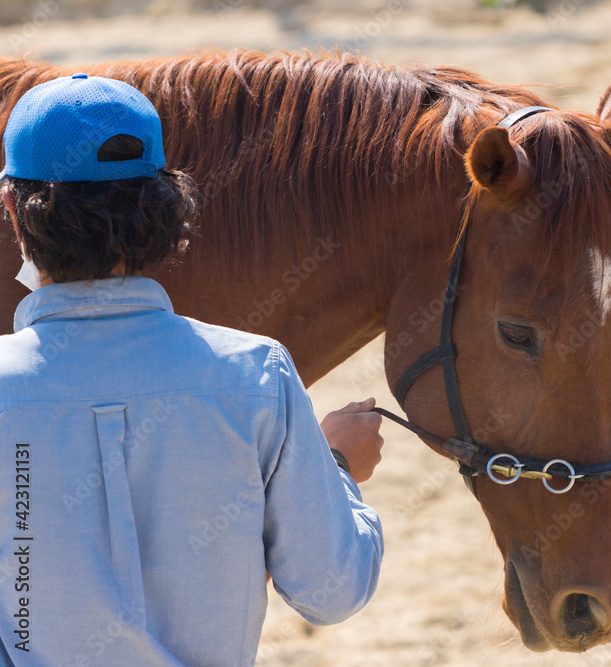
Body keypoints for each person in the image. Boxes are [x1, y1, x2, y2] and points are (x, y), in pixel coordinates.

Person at [0, 73, 384, 666]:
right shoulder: (256, 375)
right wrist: (336, 469)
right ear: (163, 206)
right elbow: (331, 592)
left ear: (12, 206)